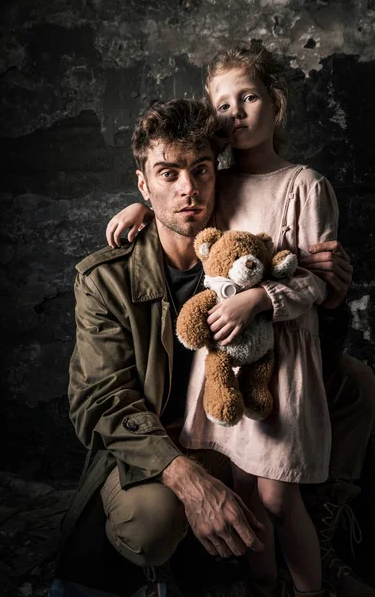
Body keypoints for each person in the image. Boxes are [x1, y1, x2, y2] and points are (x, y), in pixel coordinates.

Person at [104, 46, 375, 597]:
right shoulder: (218, 183)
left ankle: (310, 587)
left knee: (279, 495)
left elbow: (316, 280)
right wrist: (140, 207)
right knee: (248, 487)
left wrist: (259, 301)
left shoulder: (305, 185)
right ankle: (263, 582)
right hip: (225, 359)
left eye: (247, 98)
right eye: (222, 104)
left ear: (274, 103)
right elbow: (184, 205)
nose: (235, 113)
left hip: (281, 360)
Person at [54, 99, 269, 597]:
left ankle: (320, 530)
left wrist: (332, 299)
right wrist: (188, 480)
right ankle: (166, 567)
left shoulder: (247, 253)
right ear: (143, 185)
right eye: (168, 173)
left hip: (235, 427)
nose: (188, 188)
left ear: (218, 174)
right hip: (155, 442)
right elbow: (100, 400)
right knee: (150, 526)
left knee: (357, 383)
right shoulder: (104, 279)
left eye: (200, 170)